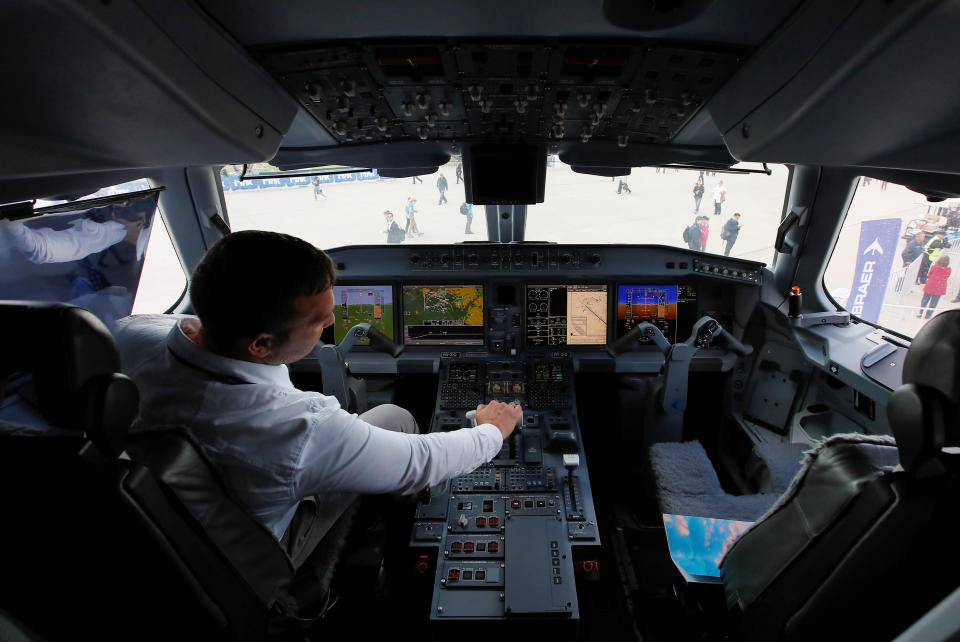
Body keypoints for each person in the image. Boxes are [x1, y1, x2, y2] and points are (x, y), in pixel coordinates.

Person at [114, 231, 522, 575]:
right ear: (260, 344)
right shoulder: (300, 428)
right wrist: (492, 430)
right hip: (243, 561)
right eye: (318, 320)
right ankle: (377, 555)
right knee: (397, 427)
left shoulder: (130, 336)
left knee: (389, 416)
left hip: (153, 528)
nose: (331, 323)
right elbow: (422, 459)